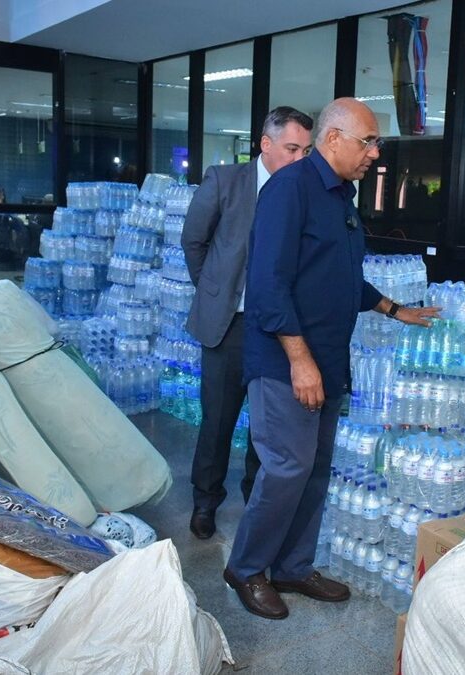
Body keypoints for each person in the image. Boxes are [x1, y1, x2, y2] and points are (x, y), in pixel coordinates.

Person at [224, 98, 438, 620]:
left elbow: (339, 274)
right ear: (333, 138)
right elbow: (269, 285)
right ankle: (247, 568)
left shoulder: (341, 196)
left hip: (328, 361)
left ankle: (294, 567)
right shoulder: (289, 191)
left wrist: (392, 308)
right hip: (286, 364)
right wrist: (300, 360)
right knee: (286, 468)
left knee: (315, 470)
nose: (375, 152)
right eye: (368, 141)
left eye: (376, 142)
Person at [182, 106, 316, 541]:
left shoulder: (303, 191)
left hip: (277, 330)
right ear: (265, 144)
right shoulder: (225, 181)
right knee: (218, 421)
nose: (299, 159)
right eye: (292, 148)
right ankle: (205, 502)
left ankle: (255, 502)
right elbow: (194, 240)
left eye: (306, 150)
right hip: (229, 326)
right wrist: (216, 291)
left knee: (268, 426)